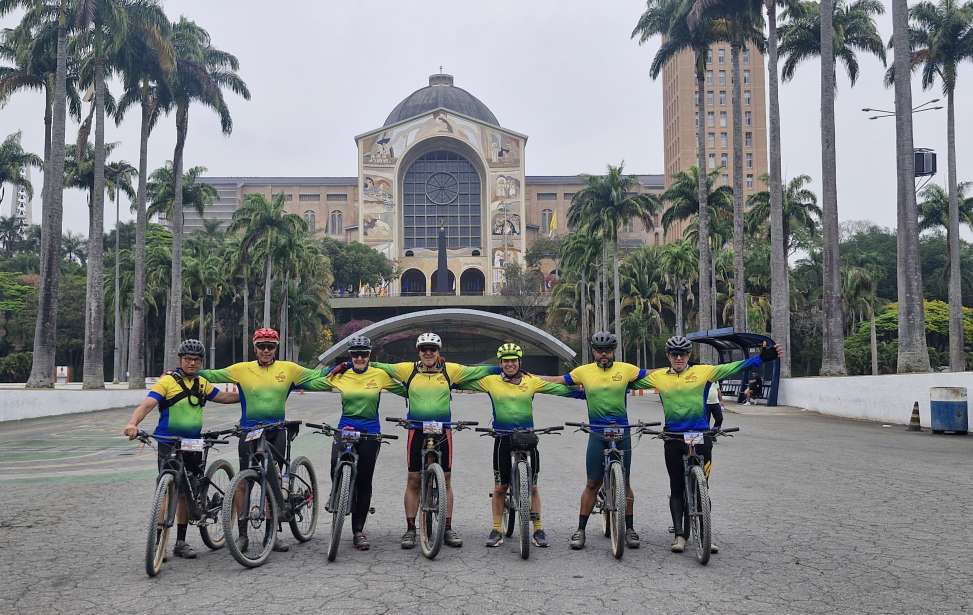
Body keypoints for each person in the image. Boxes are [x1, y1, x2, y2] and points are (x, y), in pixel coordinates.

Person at [633, 335, 783, 554]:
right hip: (673, 438)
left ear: (688, 355)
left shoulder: (704, 372)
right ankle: (679, 535)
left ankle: (705, 533)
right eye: (674, 354)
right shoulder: (658, 377)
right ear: (667, 356)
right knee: (676, 487)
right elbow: (625, 380)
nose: (678, 358)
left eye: (682, 354)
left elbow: (734, 367)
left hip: (701, 436)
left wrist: (762, 358)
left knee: (703, 486)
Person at [349, 332, 500, 549]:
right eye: (424, 349)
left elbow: (478, 371)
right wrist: (347, 364)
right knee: (413, 479)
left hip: (443, 430)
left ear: (439, 352)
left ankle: (447, 528)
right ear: (418, 352)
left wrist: (502, 368)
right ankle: (411, 529)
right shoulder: (407, 369)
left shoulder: (451, 370)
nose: (428, 353)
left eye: (432, 349)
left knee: (446, 479)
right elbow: (377, 366)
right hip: (416, 430)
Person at [199, 327, 333, 553]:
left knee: (274, 479)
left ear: (276, 348)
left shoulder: (288, 369)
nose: (266, 351)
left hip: (276, 431)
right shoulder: (241, 369)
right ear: (255, 348)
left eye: (270, 346)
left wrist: (339, 369)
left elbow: (316, 376)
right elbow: (211, 375)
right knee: (244, 481)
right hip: (249, 431)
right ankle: (242, 535)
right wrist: (179, 372)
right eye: (261, 346)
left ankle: (273, 533)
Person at [455, 342, 583, 549]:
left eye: (513, 360)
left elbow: (557, 389)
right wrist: (446, 382)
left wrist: (582, 393)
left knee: (532, 487)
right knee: (500, 487)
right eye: (505, 361)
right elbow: (463, 382)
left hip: (527, 437)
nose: (509, 364)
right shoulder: (490, 381)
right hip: (502, 438)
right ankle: (496, 529)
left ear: (519, 362)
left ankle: (538, 529)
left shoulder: (531, 381)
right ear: (500, 364)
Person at [122, 339, 240, 560]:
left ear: (201, 362)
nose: (192, 363)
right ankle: (159, 544)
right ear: (180, 360)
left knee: (187, 493)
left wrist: (247, 395)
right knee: (167, 489)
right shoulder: (167, 382)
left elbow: (222, 397)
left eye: (196, 360)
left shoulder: (202, 383)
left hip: (193, 443)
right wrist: (132, 424)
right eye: (187, 359)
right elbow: (147, 404)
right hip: (168, 442)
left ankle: (181, 542)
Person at [538, 331, 651, 550]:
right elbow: (559, 381)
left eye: (608, 351)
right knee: (592, 483)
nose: (604, 355)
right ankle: (580, 530)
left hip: (622, 431)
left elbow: (654, 375)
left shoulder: (627, 369)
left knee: (626, 483)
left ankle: (629, 529)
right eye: (599, 351)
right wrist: (530, 378)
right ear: (593, 352)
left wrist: (683, 371)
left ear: (613, 351)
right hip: (597, 433)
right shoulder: (583, 372)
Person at [315, 336, 406, 550]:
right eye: (354, 354)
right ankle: (339, 494)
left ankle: (358, 530)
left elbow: (406, 389)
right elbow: (314, 378)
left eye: (363, 353)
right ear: (350, 356)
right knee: (334, 468)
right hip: (345, 427)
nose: (359, 357)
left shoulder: (379, 375)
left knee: (365, 481)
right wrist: (338, 366)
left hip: (370, 431)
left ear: (369, 355)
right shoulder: (341, 374)